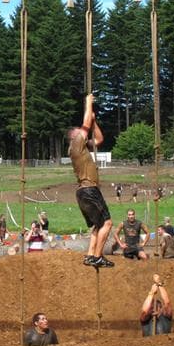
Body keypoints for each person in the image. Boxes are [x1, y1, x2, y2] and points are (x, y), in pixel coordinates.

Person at [68, 94, 114, 268]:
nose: (82, 132)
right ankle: (98, 256)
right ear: (74, 136)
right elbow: (85, 124)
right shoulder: (76, 143)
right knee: (107, 223)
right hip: (89, 190)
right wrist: (88, 103)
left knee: (97, 225)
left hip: (83, 192)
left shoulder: (80, 147)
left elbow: (100, 139)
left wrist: (94, 122)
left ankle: (90, 256)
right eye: (79, 131)